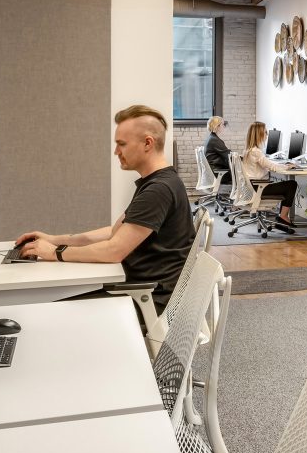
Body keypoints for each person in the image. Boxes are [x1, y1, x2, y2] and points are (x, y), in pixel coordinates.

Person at [16, 105, 194, 306]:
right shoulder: (157, 182)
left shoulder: (158, 189)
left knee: (48, 304)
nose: (116, 151)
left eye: (122, 144)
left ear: (147, 143)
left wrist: (54, 253)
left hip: (147, 300)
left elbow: (114, 250)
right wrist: (54, 240)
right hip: (139, 290)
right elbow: (114, 232)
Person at [240, 122, 299, 234]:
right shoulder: (256, 152)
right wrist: (288, 166)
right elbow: (272, 167)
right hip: (258, 188)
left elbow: (266, 165)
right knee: (291, 184)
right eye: (265, 132)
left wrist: (279, 165)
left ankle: (282, 217)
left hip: (251, 187)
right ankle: (283, 217)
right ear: (259, 134)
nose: (267, 135)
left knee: (287, 184)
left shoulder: (249, 150)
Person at [203, 115, 232, 185]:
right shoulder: (214, 140)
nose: (224, 126)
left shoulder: (211, 138)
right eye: (222, 124)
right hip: (218, 173)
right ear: (217, 126)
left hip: (214, 171)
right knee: (241, 173)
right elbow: (229, 155)